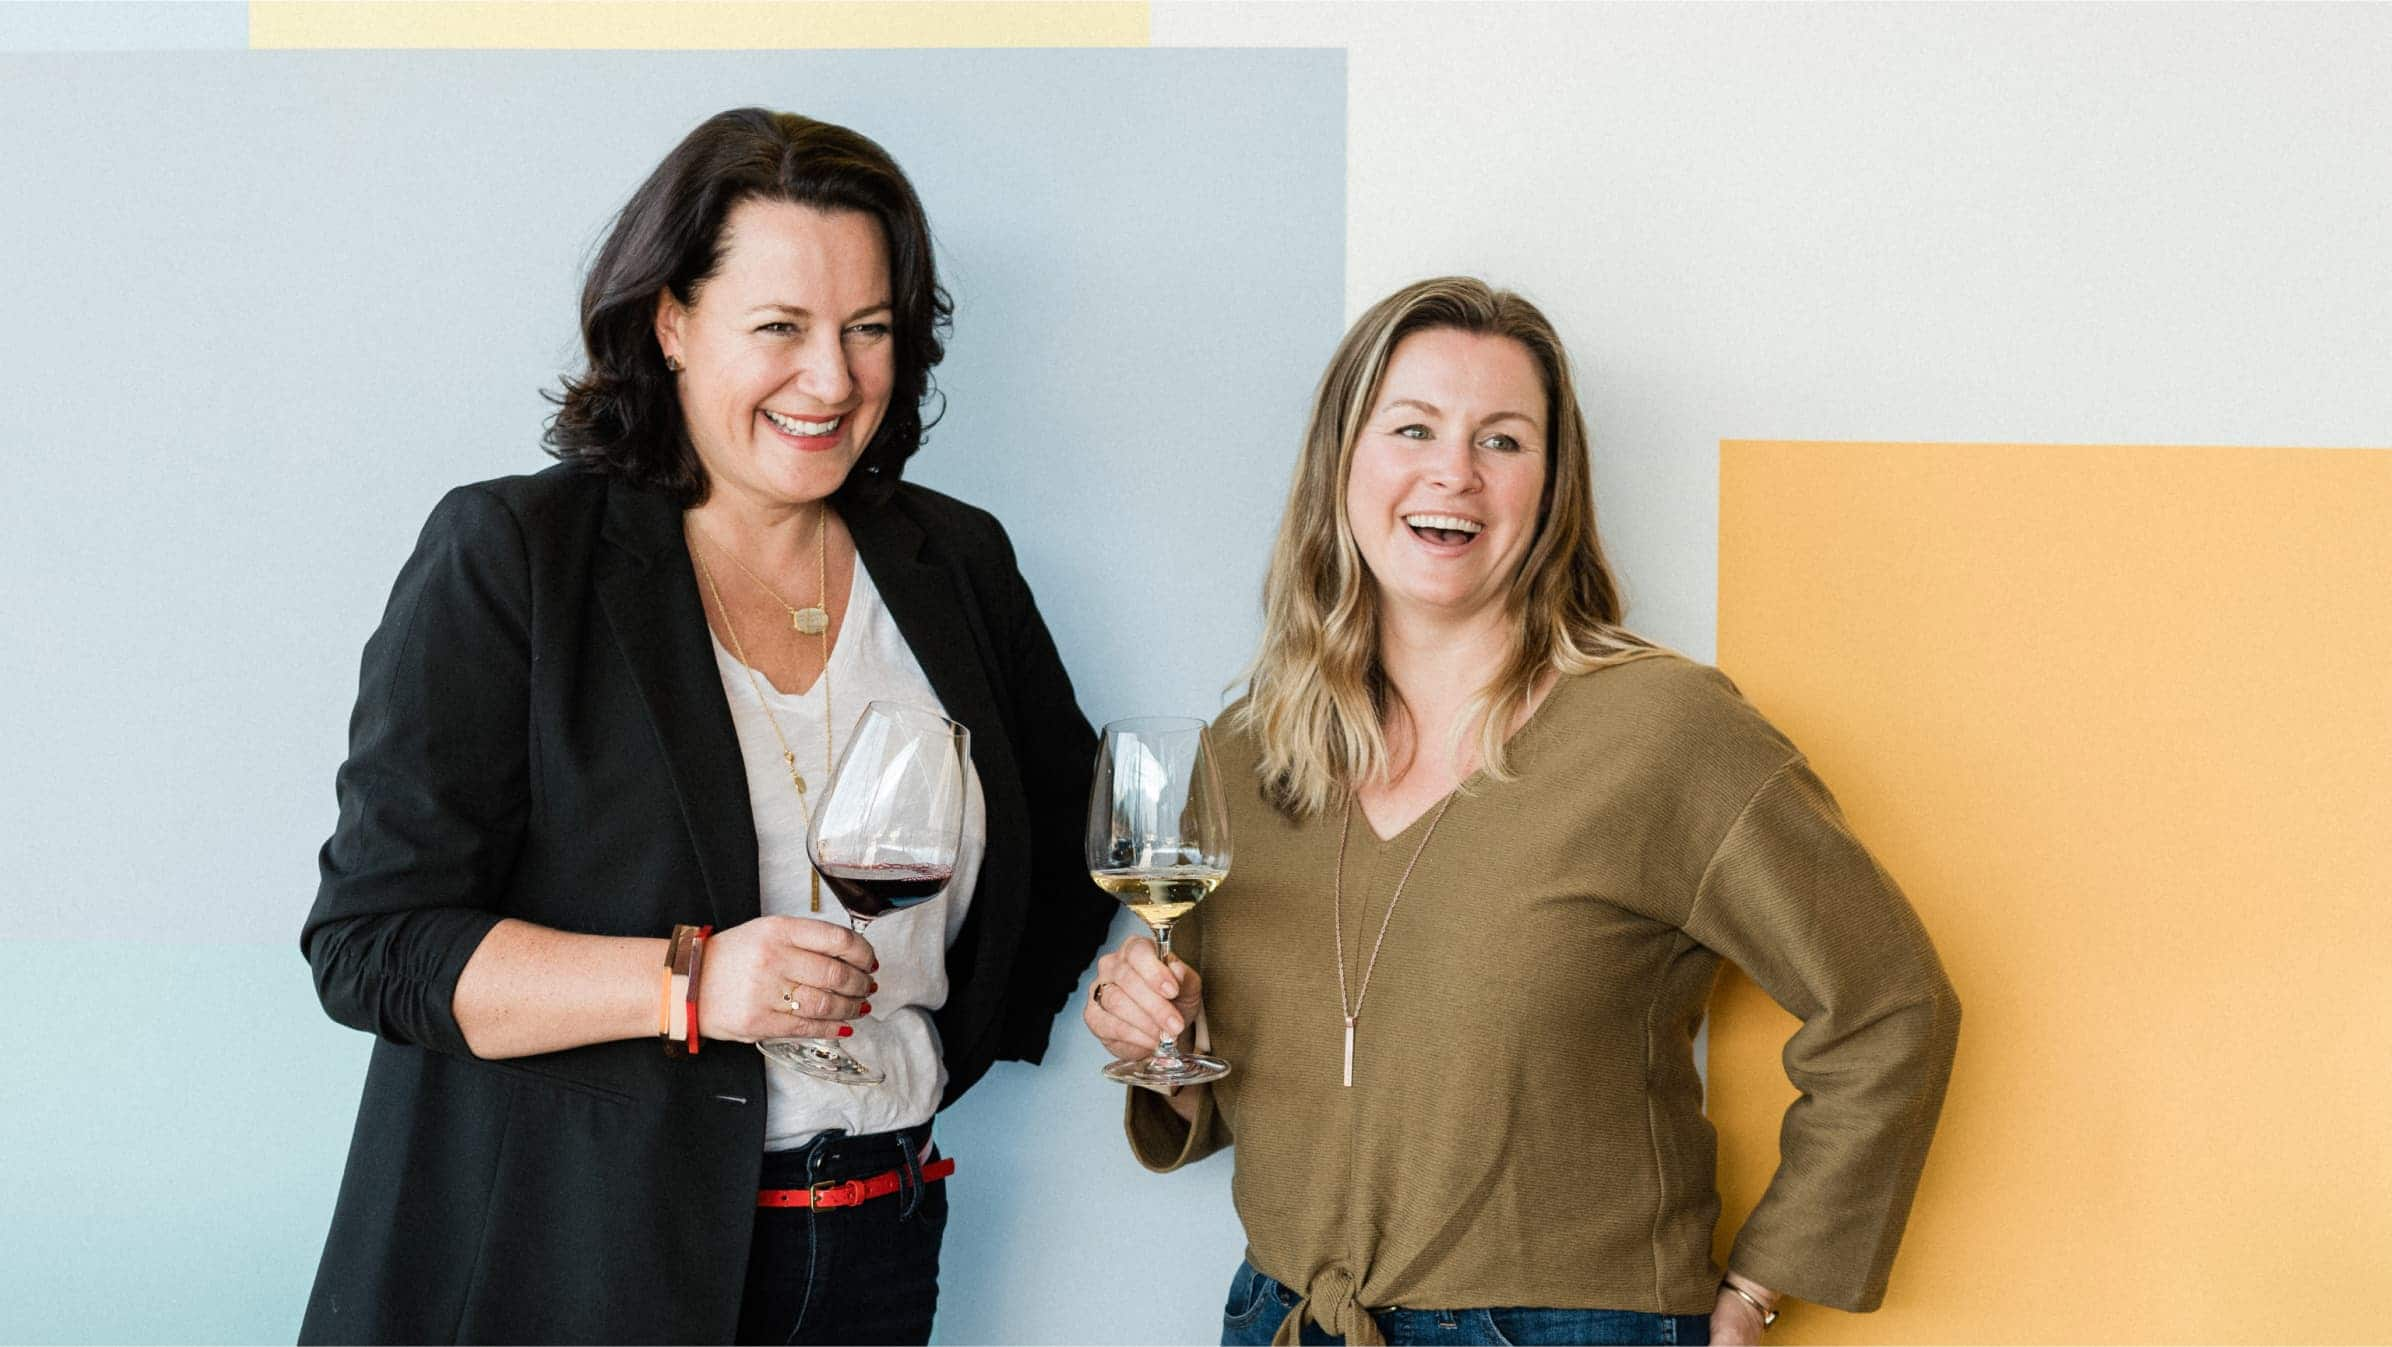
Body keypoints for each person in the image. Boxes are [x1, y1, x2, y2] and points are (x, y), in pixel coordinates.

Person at [300, 108, 1113, 1345]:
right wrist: (689, 983)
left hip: (877, 1243)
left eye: (869, 330)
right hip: (577, 1259)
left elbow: (1071, 837)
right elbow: (374, 945)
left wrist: (942, 1049)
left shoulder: (954, 560)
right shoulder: (515, 555)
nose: (832, 380)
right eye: (779, 327)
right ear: (671, 323)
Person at [1085, 278, 1961, 1346]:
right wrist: (1159, 1047)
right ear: (1340, 467)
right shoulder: (1249, 756)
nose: (1452, 472)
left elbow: (1887, 1004)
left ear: (1551, 486)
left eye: (1502, 441)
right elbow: (1264, 1085)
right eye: (1411, 428)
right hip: (1284, 1318)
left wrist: (1760, 1288)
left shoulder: (1663, 733)